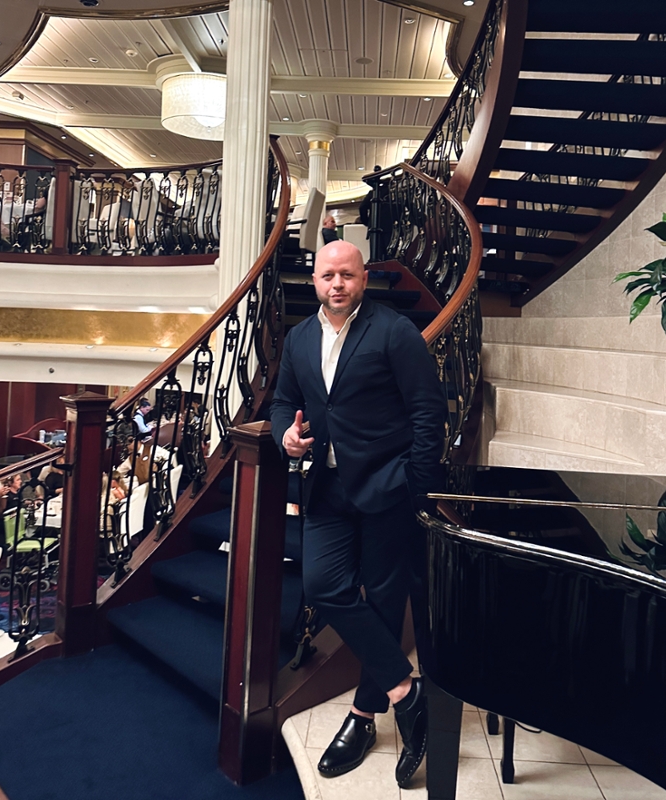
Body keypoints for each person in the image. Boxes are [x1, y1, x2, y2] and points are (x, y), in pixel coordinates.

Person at [270, 240, 447, 787]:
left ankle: (364, 716)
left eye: (347, 275)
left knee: (386, 600)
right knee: (324, 586)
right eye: (328, 276)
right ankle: (408, 691)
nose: (337, 285)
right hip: (325, 489)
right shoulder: (299, 338)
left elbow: (428, 411)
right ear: (315, 281)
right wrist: (287, 438)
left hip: (387, 489)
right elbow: (282, 402)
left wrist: (415, 484)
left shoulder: (393, 331)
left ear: (363, 279)